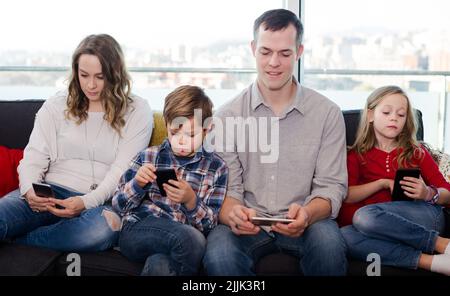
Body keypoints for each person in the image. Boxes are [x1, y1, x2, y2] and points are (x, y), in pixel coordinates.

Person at [202, 9, 348, 276]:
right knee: (220, 253)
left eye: (285, 53)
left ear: (299, 52)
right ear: (253, 49)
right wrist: (233, 214)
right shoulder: (226, 116)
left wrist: (307, 214)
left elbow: (332, 187)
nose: (273, 63)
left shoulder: (327, 113)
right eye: (266, 51)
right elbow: (226, 191)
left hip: (307, 223)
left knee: (329, 245)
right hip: (248, 225)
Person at [0, 34, 153, 252]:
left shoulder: (137, 110)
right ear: (75, 72)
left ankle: (20, 242)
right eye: (84, 75)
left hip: (98, 202)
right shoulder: (56, 104)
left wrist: (86, 202)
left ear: (115, 74)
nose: (91, 85)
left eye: (100, 77)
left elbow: (123, 170)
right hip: (49, 192)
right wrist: (29, 190)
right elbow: (33, 156)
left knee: (102, 231)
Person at [112, 85, 228, 276]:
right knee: (192, 239)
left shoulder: (216, 167)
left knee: (161, 264)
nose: (181, 141)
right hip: (139, 230)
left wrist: (191, 201)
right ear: (166, 125)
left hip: (184, 241)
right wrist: (137, 185)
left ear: (207, 130)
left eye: (191, 135)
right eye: (175, 132)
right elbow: (118, 206)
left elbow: (210, 226)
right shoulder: (149, 156)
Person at [340, 85, 450, 276]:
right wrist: (382, 183)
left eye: (401, 115)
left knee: (363, 217)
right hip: (377, 227)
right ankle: (430, 261)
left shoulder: (416, 152)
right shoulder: (356, 155)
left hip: (422, 217)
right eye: (387, 112)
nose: (394, 118)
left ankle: (444, 245)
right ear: (371, 115)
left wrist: (428, 193)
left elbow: (446, 193)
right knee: (344, 236)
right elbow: (347, 195)